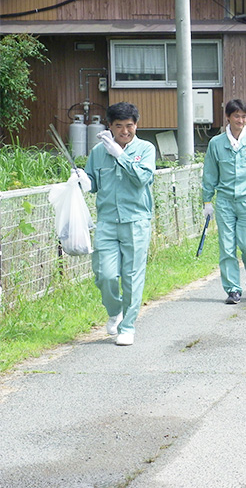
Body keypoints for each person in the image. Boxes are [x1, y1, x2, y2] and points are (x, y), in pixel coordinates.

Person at [83, 102, 156, 346]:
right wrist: (82, 180)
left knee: (132, 276)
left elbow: (142, 179)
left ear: (136, 125)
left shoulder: (146, 148)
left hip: (136, 220)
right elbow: (92, 182)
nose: (124, 131)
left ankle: (128, 327)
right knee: (105, 274)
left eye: (129, 126)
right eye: (118, 126)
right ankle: (115, 311)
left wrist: (120, 155)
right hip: (106, 221)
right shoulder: (97, 151)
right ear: (110, 126)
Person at [202, 99, 246, 305]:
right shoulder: (216, 144)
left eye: (244, 116)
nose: (240, 120)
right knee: (226, 247)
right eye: (236, 116)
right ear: (228, 117)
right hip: (225, 201)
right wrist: (207, 201)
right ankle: (233, 289)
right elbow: (209, 174)